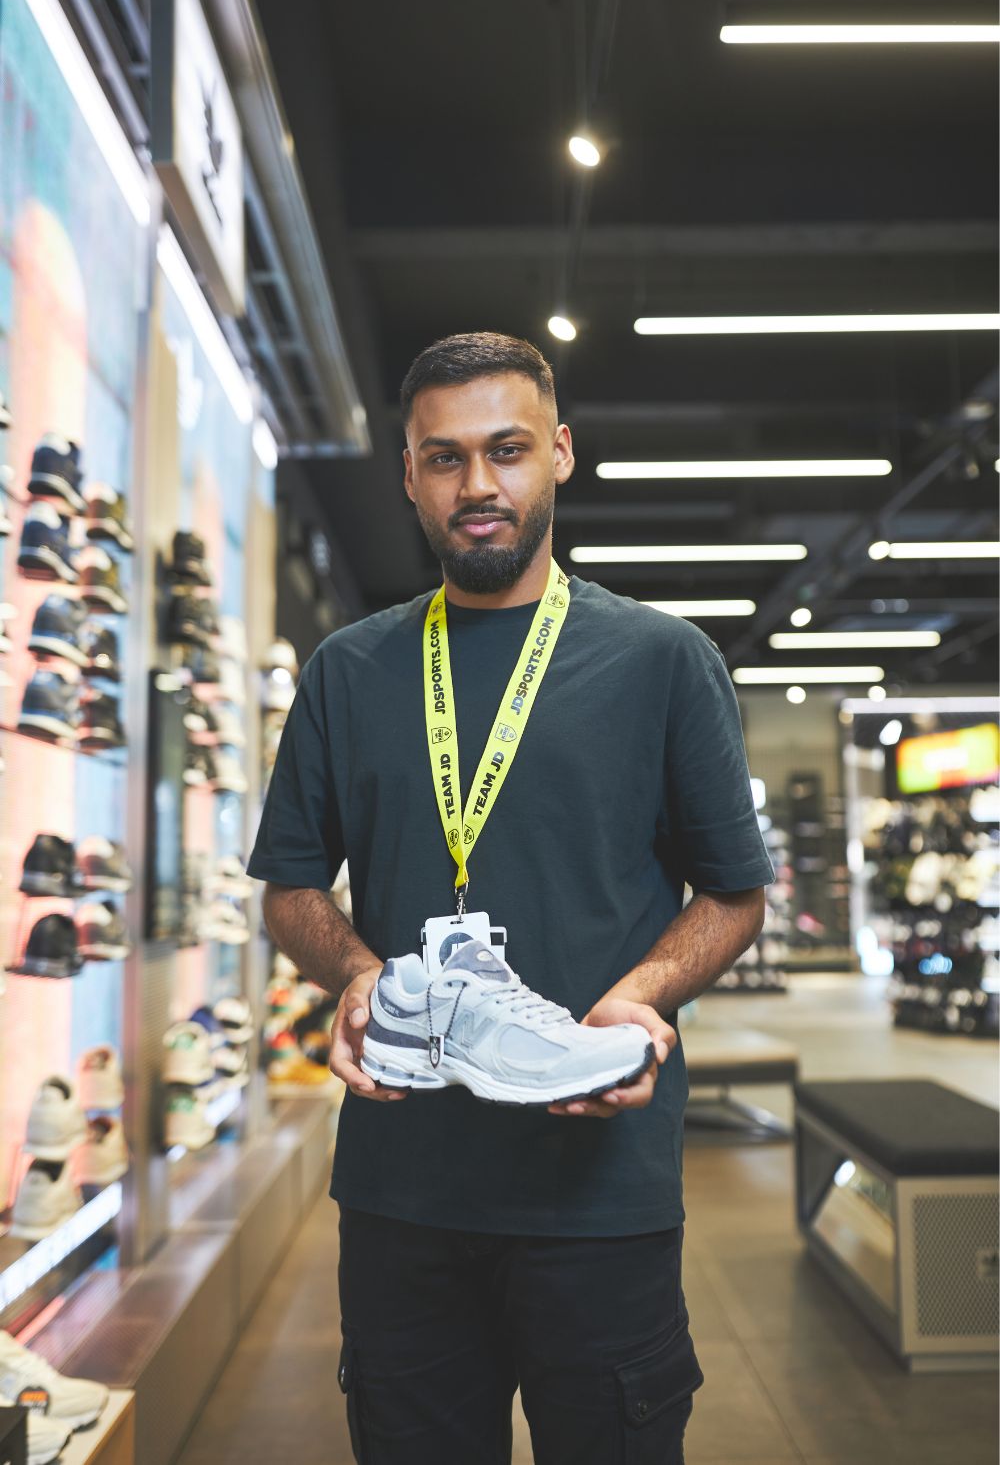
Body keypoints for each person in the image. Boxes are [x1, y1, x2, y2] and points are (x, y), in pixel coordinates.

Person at [248, 331, 773, 1465]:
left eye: (507, 450)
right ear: (406, 471)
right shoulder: (349, 670)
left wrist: (640, 996)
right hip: (402, 1188)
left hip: (599, 1194)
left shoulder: (662, 660)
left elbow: (734, 894)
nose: (477, 486)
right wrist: (356, 973)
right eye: (443, 458)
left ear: (560, 455)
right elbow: (290, 888)